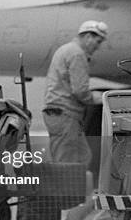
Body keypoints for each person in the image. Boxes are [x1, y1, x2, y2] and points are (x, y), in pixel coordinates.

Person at [42, 20, 108, 166]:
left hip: (61, 113)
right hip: (65, 114)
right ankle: (61, 188)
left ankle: (74, 188)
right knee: (66, 161)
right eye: (98, 41)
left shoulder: (66, 49)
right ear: (88, 36)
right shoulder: (77, 54)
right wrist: (103, 98)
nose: (98, 47)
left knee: (82, 157)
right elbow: (80, 91)